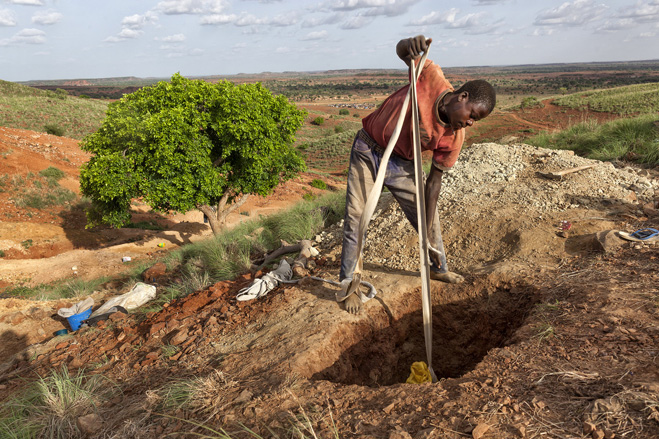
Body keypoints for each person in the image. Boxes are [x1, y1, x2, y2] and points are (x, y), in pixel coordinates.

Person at [339, 35, 496, 314]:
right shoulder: (431, 76)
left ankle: (439, 268)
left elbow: (434, 181)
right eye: (472, 114)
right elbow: (402, 51)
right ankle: (349, 285)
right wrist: (408, 45)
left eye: (476, 121)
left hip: (402, 164)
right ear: (462, 97)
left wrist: (425, 219)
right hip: (367, 149)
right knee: (356, 217)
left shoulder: (454, 136)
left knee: (429, 220)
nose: (470, 122)